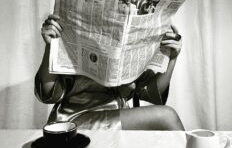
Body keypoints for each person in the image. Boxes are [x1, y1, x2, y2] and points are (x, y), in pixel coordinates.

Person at [35, 14, 184, 130]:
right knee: (167, 116)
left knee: (166, 117)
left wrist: (172, 58)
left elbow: (152, 93)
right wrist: (51, 45)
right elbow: (47, 94)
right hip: (73, 121)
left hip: (116, 116)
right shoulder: (74, 38)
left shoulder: (127, 40)